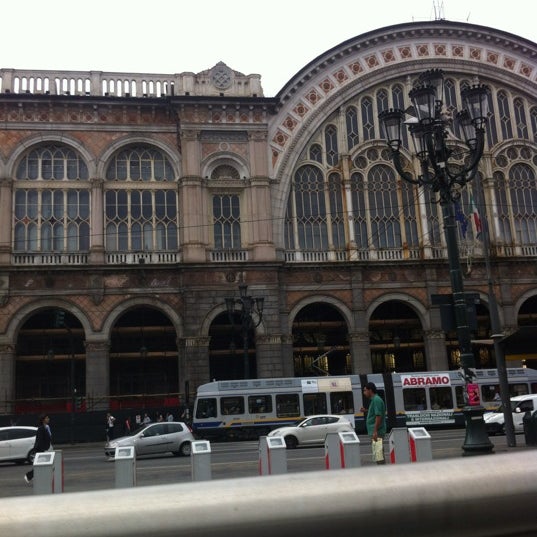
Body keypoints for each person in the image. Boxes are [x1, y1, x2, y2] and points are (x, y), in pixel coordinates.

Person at [361, 382, 387, 464]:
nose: (364, 393)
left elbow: (378, 416)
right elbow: (375, 412)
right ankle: (382, 470)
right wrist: (366, 410)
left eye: (365, 390)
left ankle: (383, 471)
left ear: (370, 390)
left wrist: (375, 431)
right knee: (378, 455)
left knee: (379, 456)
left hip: (377, 432)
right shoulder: (374, 400)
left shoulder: (376, 400)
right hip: (376, 432)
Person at [24, 414, 52, 484]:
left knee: (43, 465)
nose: (48, 419)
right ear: (43, 420)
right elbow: (39, 440)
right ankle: (28, 476)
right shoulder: (41, 429)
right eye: (47, 418)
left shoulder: (46, 427)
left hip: (47, 448)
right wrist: (43, 450)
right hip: (42, 450)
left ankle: (33, 476)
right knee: (41, 465)